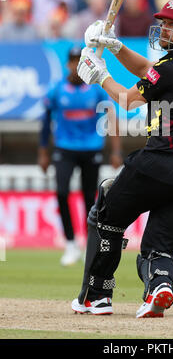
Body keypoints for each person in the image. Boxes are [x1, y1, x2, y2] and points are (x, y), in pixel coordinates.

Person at [71, 0, 173, 317]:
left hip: (159, 163)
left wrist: (99, 75)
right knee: (157, 249)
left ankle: (96, 296)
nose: (163, 29)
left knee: (106, 213)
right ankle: (159, 288)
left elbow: (130, 100)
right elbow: (150, 70)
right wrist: (116, 46)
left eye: (172, 25)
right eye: (163, 23)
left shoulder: (170, 67)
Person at [38, 46, 123, 266]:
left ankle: (89, 245)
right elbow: (46, 123)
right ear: (68, 64)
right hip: (64, 148)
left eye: (80, 61)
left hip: (90, 148)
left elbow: (112, 117)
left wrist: (116, 151)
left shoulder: (95, 89)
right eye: (73, 61)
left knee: (89, 198)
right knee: (62, 192)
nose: (76, 66)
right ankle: (70, 243)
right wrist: (43, 153)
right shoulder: (57, 90)